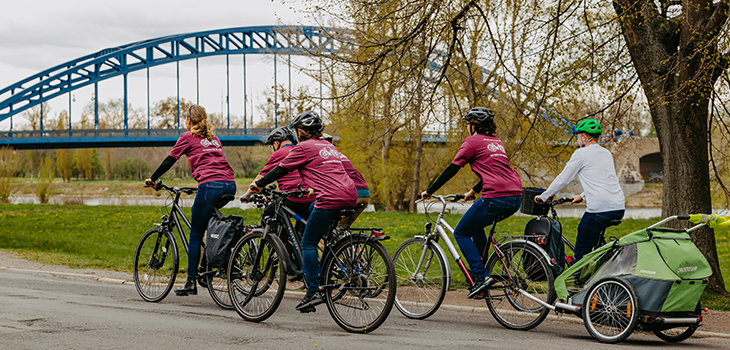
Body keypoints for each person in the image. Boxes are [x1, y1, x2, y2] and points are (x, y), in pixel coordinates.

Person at [249, 110, 357, 312]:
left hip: (329, 198)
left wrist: (259, 184)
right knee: (313, 215)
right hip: (350, 196)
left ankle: (313, 291)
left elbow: (281, 169)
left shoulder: (304, 147)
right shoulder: (328, 146)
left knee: (308, 242)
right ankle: (328, 264)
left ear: (300, 131)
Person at [421, 107, 523, 299]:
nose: (467, 128)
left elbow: (453, 168)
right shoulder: (497, 142)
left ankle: (481, 276)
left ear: (474, 125)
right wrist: (474, 191)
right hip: (516, 195)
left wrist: (430, 191)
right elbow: (496, 172)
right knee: (477, 227)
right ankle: (482, 273)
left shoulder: (472, 142)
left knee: (461, 232)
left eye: (468, 124)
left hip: (495, 197)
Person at [144, 105, 237, 296]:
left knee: (195, 235)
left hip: (210, 186)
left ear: (188, 121)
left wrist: (153, 179)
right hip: (230, 185)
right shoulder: (214, 138)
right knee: (210, 225)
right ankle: (211, 262)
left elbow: (170, 159)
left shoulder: (187, 137)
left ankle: (191, 282)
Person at [535, 118, 625, 263]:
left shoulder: (580, 154)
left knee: (581, 251)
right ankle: (601, 274)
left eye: (577, 137)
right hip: (618, 206)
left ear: (584, 137)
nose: (577, 140)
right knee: (594, 244)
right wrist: (582, 196)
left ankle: (579, 284)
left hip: (599, 209)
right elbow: (605, 180)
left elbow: (563, 179)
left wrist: (544, 196)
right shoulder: (606, 153)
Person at [243, 127, 314, 223]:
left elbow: (261, 177)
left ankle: (277, 238)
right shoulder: (301, 151)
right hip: (311, 196)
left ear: (276, 143)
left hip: (293, 198)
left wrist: (247, 195)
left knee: (269, 214)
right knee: (301, 227)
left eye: (272, 146)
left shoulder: (279, 154)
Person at [321, 133, 370, 226]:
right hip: (365, 193)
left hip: (352, 193)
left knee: (321, 229)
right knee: (342, 229)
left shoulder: (325, 157)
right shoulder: (339, 154)